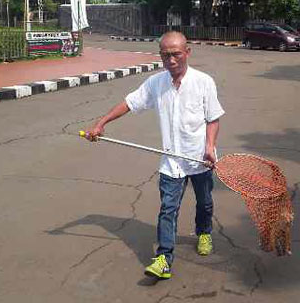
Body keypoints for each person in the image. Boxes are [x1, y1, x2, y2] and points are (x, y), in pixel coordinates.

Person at [83, 31, 225, 278]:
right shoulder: (156, 84)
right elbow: (130, 103)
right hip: (171, 161)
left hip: (201, 159)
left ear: (187, 53)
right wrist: (102, 122)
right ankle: (164, 258)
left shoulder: (204, 82)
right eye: (165, 55)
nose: (171, 60)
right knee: (167, 209)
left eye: (176, 54)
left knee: (204, 203)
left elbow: (213, 119)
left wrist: (210, 146)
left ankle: (204, 233)